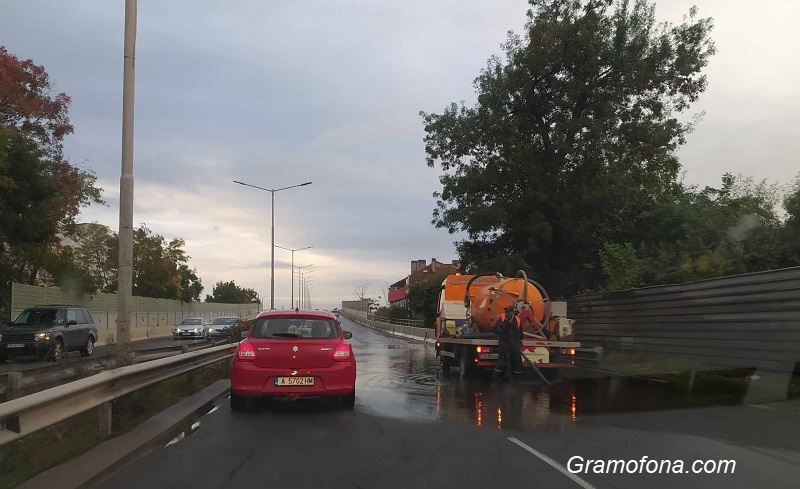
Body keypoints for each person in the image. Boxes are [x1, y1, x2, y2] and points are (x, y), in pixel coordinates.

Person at [492, 305, 524, 383]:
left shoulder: (517, 320)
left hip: (514, 346)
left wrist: (518, 343)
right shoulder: (501, 320)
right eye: (506, 312)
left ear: (512, 313)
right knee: (501, 363)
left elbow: (520, 333)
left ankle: (516, 381)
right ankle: (495, 381)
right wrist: (502, 326)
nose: (507, 314)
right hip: (504, 345)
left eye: (509, 312)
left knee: (517, 363)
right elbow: (496, 331)